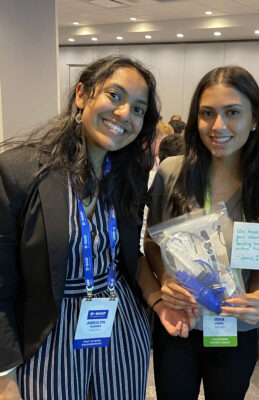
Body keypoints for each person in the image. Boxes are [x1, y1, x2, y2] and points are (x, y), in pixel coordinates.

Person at [0, 55, 189, 400]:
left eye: (138, 109)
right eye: (114, 96)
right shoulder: (21, 172)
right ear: (82, 95)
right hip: (48, 334)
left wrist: (159, 301)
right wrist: (4, 376)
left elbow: (128, 258)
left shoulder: (127, 176)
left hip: (120, 327)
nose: (124, 114)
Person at [144, 66, 259, 400]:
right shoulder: (172, 173)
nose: (218, 127)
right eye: (207, 114)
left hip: (236, 329)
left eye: (233, 112)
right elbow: (151, 243)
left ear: (256, 118)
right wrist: (164, 282)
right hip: (179, 325)